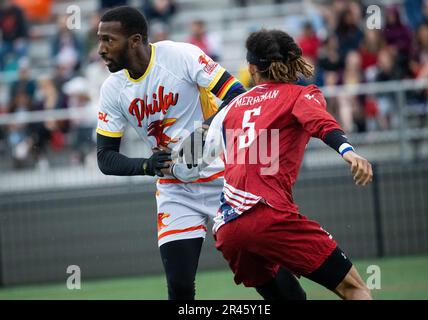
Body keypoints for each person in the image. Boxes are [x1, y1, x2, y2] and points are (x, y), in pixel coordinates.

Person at [95, 6, 306, 300]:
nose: (101, 49)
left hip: (225, 180)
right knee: (179, 287)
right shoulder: (111, 90)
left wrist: (201, 137)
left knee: (271, 281)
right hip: (175, 188)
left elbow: (235, 94)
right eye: (100, 40)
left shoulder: (180, 56)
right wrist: (146, 165)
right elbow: (105, 158)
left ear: (134, 41)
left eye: (108, 40)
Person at [170, 29, 373, 300]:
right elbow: (322, 124)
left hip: (229, 229)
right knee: (354, 288)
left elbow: (187, 162)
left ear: (252, 69)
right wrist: (348, 152)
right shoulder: (299, 95)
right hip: (269, 215)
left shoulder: (232, 106)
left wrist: (162, 163)